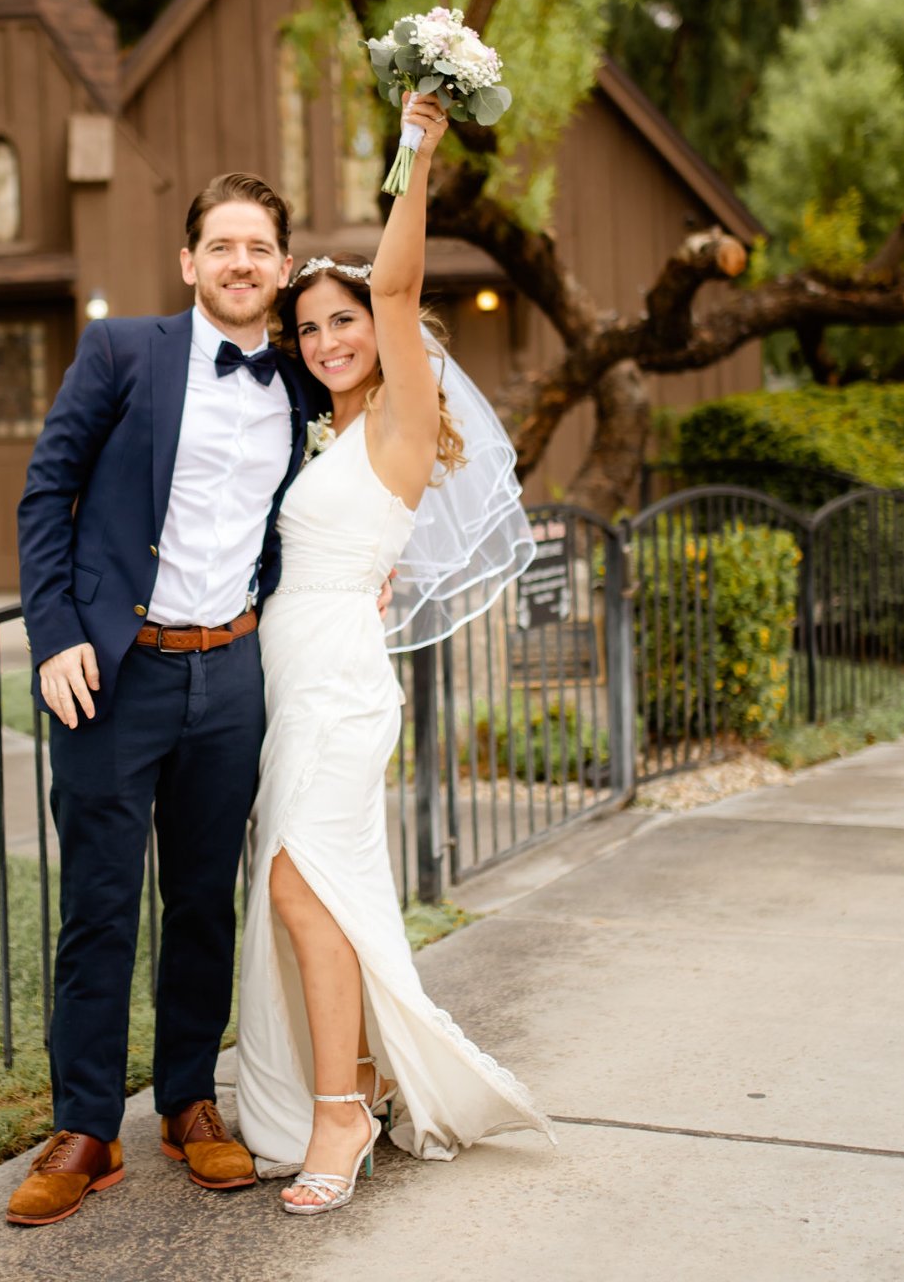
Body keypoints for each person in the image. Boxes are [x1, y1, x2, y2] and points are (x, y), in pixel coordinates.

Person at [234, 92, 554, 1216]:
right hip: (297, 671)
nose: (326, 339)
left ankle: (342, 1111)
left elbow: (404, 283)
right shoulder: (331, 431)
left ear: (384, 327)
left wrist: (416, 147)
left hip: (340, 689)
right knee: (310, 888)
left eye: (344, 320)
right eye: (309, 326)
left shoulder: (401, 414)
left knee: (299, 883)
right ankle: (356, 1076)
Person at [7, 171, 321, 1227]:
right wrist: (54, 635)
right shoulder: (123, 352)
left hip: (232, 673)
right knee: (97, 904)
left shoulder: (301, 379)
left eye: (259, 246)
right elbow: (46, 490)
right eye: (222, 244)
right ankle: (85, 1127)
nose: (241, 262)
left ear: (282, 267)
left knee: (202, 900)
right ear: (190, 262)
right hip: (113, 671)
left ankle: (189, 1097)